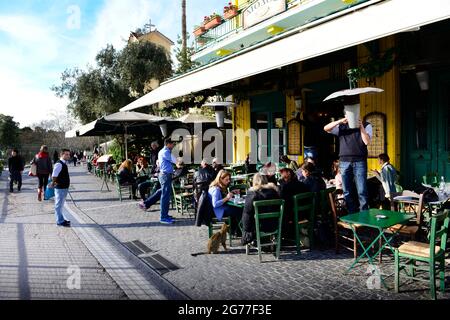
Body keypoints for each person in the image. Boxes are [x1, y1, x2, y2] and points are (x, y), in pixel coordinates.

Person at [324, 116, 372, 213]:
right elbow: (326, 128)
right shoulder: (342, 126)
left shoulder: (366, 125)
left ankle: (364, 215)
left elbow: (366, 141)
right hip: (344, 161)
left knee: (362, 190)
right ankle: (352, 214)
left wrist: (361, 126)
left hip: (359, 161)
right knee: (347, 191)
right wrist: (339, 121)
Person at [241, 173, 280, 245]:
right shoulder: (275, 192)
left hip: (258, 226)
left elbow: (247, 213)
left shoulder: (253, 193)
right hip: (275, 224)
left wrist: (246, 231)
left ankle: (253, 240)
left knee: (245, 216)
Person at [278, 167, 309, 237]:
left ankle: (285, 234)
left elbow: (283, 201)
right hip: (305, 213)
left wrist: (281, 184)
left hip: (293, 215)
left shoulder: (286, 187)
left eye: (282, 174)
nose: (281, 176)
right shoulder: (301, 184)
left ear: (288, 174)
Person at [208, 170, 242, 234]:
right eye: (226, 180)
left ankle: (234, 230)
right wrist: (227, 198)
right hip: (218, 211)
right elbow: (215, 204)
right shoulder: (216, 189)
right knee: (239, 210)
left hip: (219, 209)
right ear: (220, 179)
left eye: (229, 179)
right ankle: (239, 231)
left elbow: (221, 197)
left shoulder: (218, 186)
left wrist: (232, 192)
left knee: (235, 209)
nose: (228, 181)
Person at [158, 138, 178, 224]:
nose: (174, 145)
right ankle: (163, 217)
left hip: (165, 175)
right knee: (165, 197)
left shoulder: (163, 151)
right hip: (165, 175)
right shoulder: (165, 152)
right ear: (168, 144)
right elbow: (175, 160)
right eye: (173, 144)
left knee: (166, 196)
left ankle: (165, 215)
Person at [51, 149, 71, 227]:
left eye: (68, 154)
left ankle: (61, 219)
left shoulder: (63, 163)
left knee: (61, 204)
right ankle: (60, 221)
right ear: (62, 155)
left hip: (63, 187)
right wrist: (53, 183)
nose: (68, 156)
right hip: (60, 187)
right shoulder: (59, 164)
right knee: (58, 205)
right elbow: (54, 175)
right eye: (66, 154)